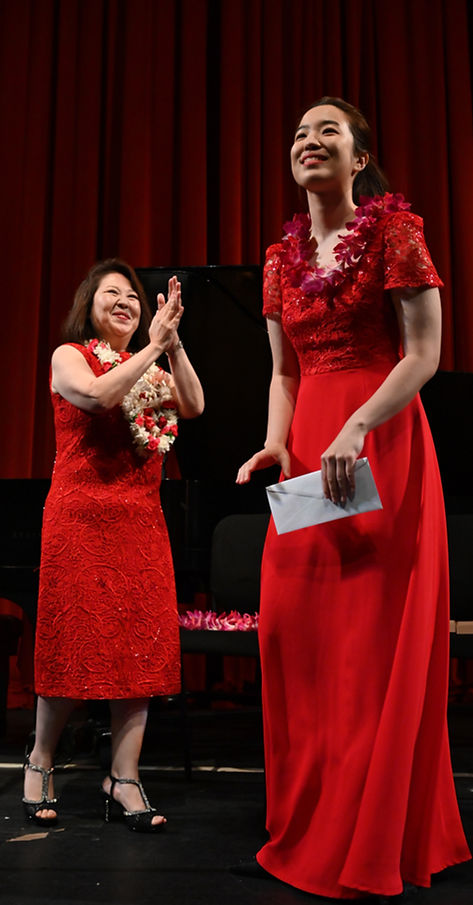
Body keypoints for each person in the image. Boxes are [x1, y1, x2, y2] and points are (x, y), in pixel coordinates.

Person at [237, 98, 471, 897]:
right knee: (299, 639)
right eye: (299, 132)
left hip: (382, 440)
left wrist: (359, 426)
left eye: (326, 131)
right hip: (308, 449)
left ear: (358, 158)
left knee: (368, 645)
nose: (308, 141)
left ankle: (375, 831)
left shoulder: (393, 233)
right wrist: (278, 440)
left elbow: (425, 352)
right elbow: (284, 371)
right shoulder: (278, 257)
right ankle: (312, 814)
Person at [22, 259, 204, 832]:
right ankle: (40, 760)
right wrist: (151, 350)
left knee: (139, 648)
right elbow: (99, 399)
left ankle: (123, 776)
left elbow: (194, 405)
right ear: (89, 304)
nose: (126, 301)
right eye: (113, 294)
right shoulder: (69, 356)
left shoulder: (150, 365)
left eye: (133, 296)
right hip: (79, 520)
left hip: (140, 523)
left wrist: (171, 346)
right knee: (70, 642)